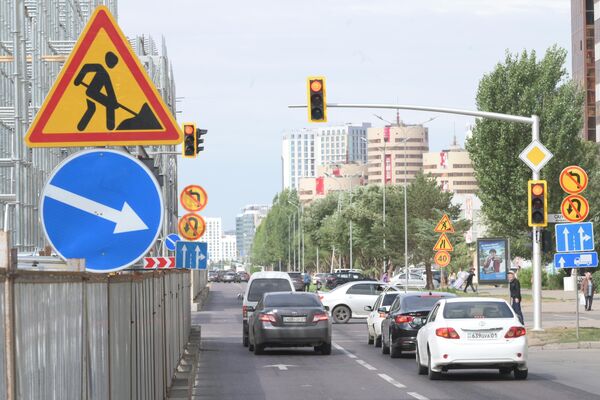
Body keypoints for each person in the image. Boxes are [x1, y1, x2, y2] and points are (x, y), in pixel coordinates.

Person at [74, 51, 120, 131]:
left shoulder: (105, 73)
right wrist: (78, 79)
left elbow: (109, 89)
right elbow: (85, 67)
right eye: (113, 63)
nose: (114, 66)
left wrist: (114, 101)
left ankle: (110, 127)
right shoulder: (100, 68)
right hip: (91, 92)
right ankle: (110, 126)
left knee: (94, 108)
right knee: (97, 107)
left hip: (92, 93)